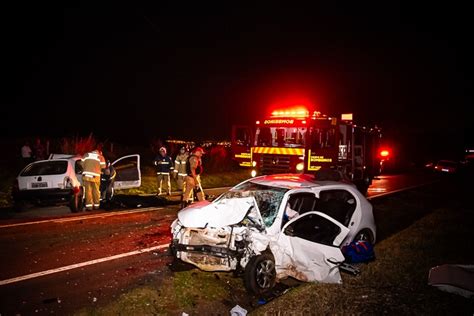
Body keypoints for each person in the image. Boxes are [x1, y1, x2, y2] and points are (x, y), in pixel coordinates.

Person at [81, 145, 106, 211]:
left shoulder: (86, 155)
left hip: (86, 176)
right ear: (99, 152)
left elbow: (81, 164)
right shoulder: (100, 157)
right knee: (96, 191)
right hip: (96, 177)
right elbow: (103, 168)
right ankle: (96, 206)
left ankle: (89, 207)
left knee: (87, 191)